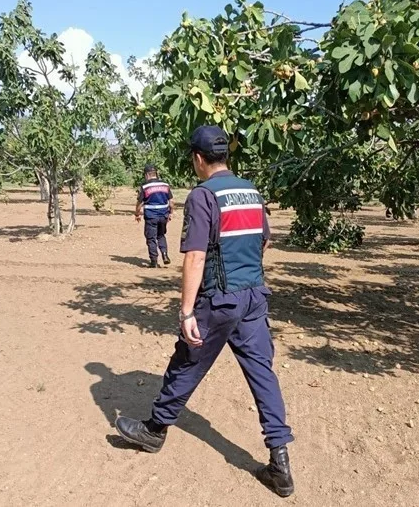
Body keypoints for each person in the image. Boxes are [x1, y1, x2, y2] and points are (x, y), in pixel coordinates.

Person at [116, 125, 295, 497]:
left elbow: (196, 256)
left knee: (187, 361)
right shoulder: (250, 190)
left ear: (198, 159)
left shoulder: (203, 196)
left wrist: (186, 312)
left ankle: (154, 430)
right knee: (263, 374)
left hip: (219, 300)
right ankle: (280, 463)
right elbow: (264, 240)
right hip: (254, 298)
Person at [136, 164, 174, 268]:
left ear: (147, 175)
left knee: (151, 238)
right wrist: (171, 213)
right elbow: (171, 202)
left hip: (151, 216)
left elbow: (139, 203)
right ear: (156, 174)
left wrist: (137, 213)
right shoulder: (165, 185)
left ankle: (154, 261)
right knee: (161, 235)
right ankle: (165, 255)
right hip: (163, 215)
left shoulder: (145, 186)